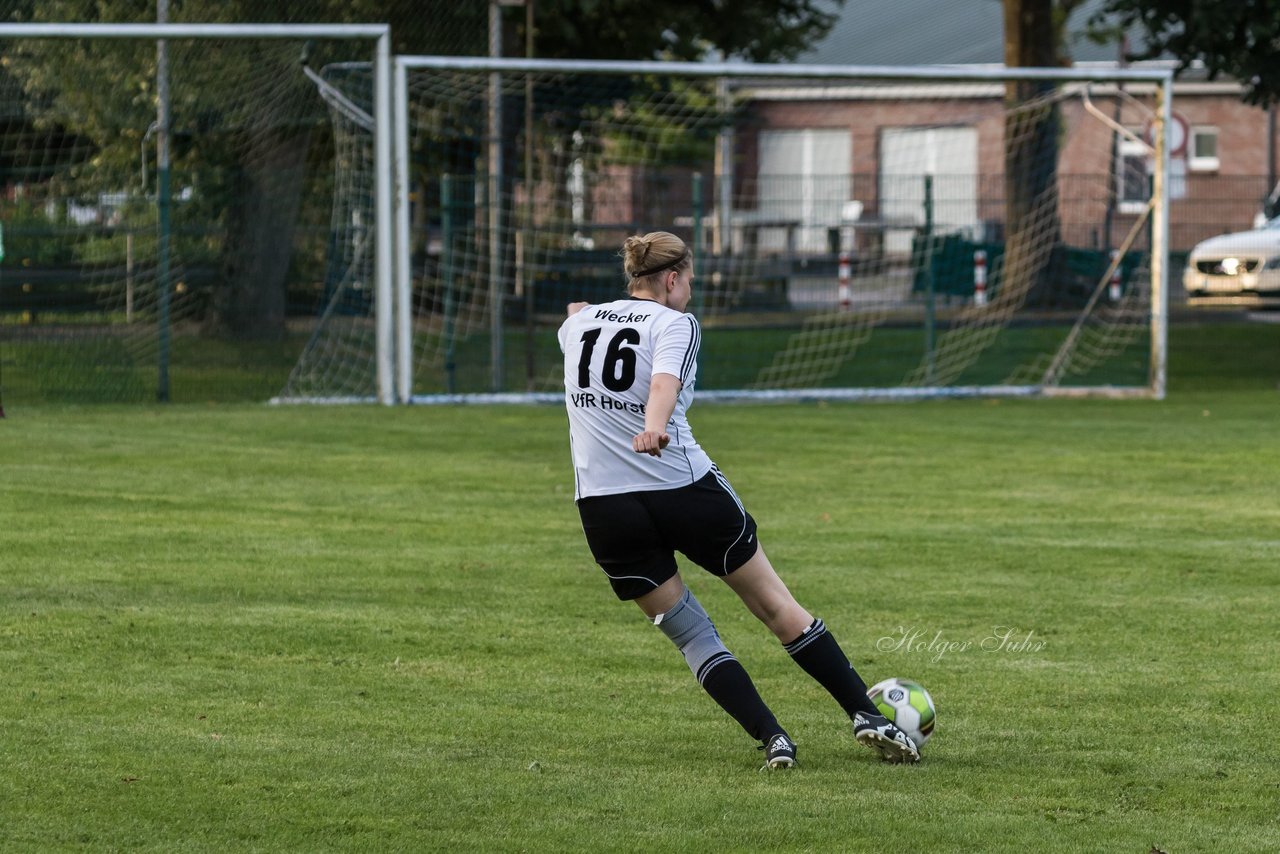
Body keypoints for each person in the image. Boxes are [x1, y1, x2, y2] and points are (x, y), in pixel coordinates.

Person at [558, 230, 919, 769]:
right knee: (776, 606)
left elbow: (578, 319)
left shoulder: (576, 326)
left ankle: (773, 737)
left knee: (690, 634)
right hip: (685, 491)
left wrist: (583, 312)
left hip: (606, 508)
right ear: (673, 278)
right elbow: (662, 384)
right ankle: (864, 714)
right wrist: (653, 428)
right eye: (690, 282)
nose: (690, 294)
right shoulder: (675, 323)